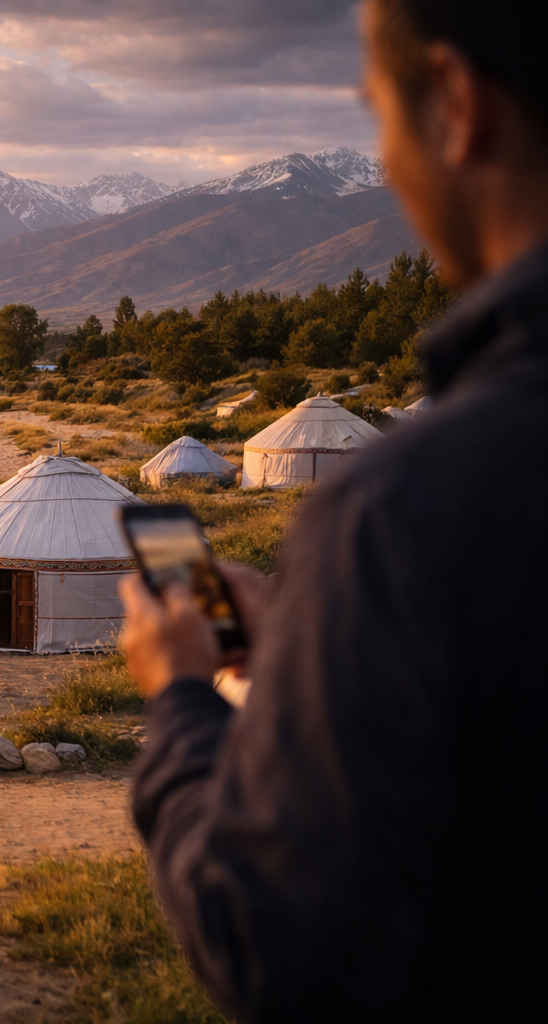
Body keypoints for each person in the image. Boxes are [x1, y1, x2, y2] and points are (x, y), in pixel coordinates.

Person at [120, 1, 548, 1020]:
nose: (387, 164)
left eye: (378, 116)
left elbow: (277, 952)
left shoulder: (408, 506)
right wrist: (321, 659)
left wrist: (183, 699)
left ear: (455, 104)